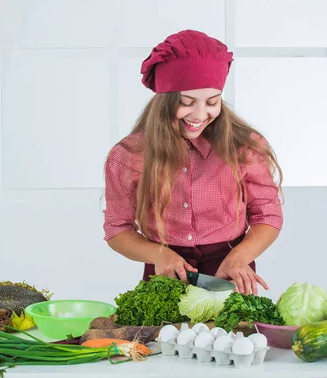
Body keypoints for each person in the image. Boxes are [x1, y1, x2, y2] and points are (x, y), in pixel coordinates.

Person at [103, 29, 283, 296]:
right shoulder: (128, 155)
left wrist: (240, 256)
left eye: (212, 102)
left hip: (229, 267)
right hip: (165, 270)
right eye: (187, 102)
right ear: (163, 101)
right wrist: (158, 255)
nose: (200, 114)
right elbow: (117, 229)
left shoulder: (244, 147)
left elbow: (268, 215)